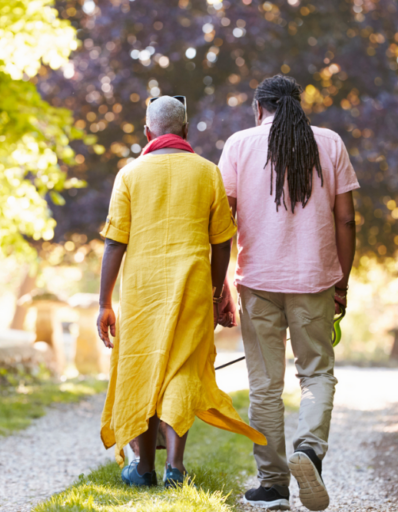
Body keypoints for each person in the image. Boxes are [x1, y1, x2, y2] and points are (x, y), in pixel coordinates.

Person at [96, 95, 266, 488]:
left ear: (147, 132)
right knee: (182, 369)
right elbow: (222, 240)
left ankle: (143, 469)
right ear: (186, 131)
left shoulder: (130, 174)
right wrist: (214, 288)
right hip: (191, 285)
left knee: (141, 366)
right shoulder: (208, 173)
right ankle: (174, 467)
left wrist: (105, 302)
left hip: (142, 291)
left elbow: (114, 243)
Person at [217, 75, 358, 511]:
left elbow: (222, 224)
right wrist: (342, 281)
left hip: (257, 283)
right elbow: (347, 221)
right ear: (298, 106)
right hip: (315, 280)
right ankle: (310, 450)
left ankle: (273, 484)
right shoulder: (330, 142)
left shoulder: (239, 144)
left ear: (259, 109)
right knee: (316, 373)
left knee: (264, 384)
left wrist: (218, 283)